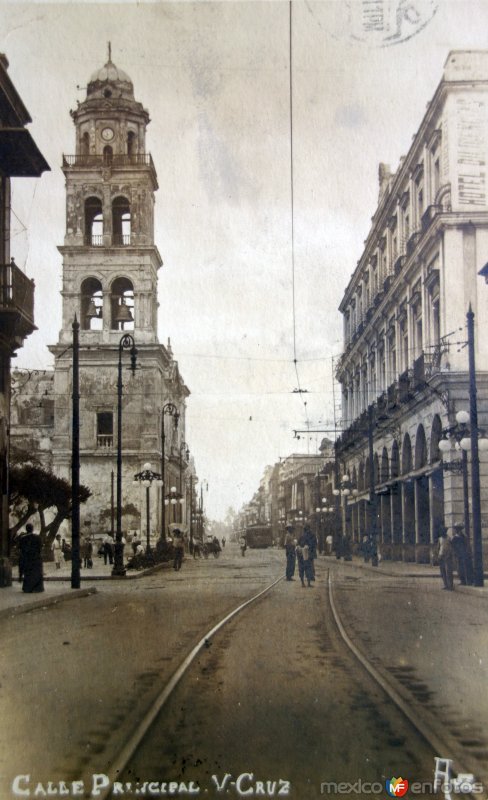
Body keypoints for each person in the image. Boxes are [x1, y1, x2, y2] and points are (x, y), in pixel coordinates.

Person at [19, 523, 44, 593]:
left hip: (27, 558)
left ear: (26, 529)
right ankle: (37, 588)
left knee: (28, 574)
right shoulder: (38, 537)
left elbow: (21, 549)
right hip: (36, 558)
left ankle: (27, 588)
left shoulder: (22, 538)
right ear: (32, 529)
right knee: (36, 573)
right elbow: (40, 548)